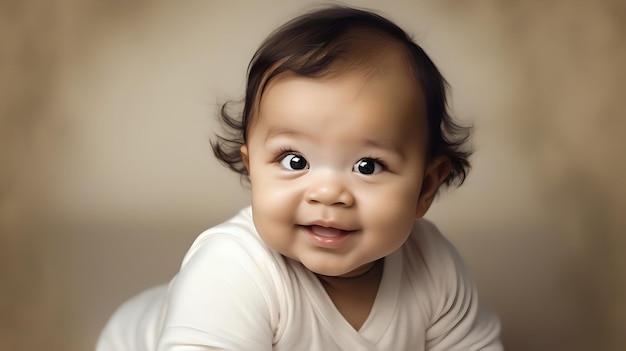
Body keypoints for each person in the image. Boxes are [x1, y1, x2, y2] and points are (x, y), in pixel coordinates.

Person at [97, 5, 502, 350]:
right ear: (252, 167)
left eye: (368, 166)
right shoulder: (232, 270)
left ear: (426, 187)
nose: (327, 193)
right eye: (294, 161)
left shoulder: (433, 266)